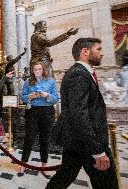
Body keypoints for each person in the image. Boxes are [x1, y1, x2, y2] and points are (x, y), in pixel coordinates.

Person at [46, 38, 119, 189]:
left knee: (65, 176)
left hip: (77, 139)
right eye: (98, 49)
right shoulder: (78, 75)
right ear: (85, 52)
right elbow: (79, 114)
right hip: (88, 141)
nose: (102, 53)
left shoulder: (81, 73)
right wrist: (98, 151)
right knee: (107, 183)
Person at [18, 62, 59, 178]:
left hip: (47, 112)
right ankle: (23, 164)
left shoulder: (50, 81)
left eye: (39, 69)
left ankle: (44, 166)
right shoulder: (28, 82)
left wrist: (46, 95)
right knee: (29, 139)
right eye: (35, 69)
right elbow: (23, 97)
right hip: (33, 112)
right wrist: (30, 97)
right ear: (32, 71)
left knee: (44, 140)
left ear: (43, 70)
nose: (37, 71)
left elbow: (56, 98)